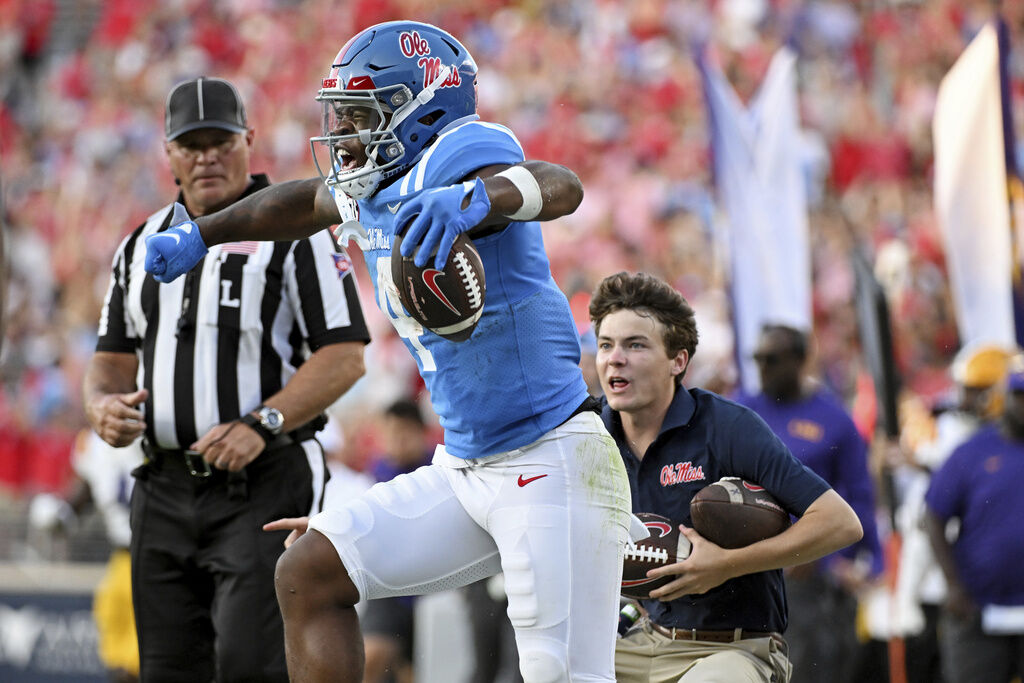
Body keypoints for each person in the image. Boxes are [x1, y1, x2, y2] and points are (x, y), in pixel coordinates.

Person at [142, 21, 635, 683]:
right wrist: (206, 234)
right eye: (341, 115)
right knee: (310, 569)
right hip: (465, 468)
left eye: (360, 114)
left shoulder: (457, 152)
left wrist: (474, 199)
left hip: (550, 458)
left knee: (559, 675)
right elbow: (301, 202)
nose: (343, 133)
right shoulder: (375, 178)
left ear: (422, 110)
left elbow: (557, 184)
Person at [82, 76, 370, 682]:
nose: (207, 155)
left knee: (251, 664)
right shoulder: (139, 243)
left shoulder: (294, 229)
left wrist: (262, 422)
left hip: (260, 483)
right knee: (165, 668)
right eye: (192, 143)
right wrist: (101, 404)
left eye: (221, 140)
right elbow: (110, 356)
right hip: (161, 486)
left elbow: (344, 353)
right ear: (168, 152)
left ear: (250, 140)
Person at [588, 271, 863, 683]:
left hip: (730, 650)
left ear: (677, 361)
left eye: (635, 345)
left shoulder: (728, 426)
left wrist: (726, 565)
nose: (615, 358)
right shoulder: (587, 435)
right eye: (606, 345)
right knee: (547, 666)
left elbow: (841, 523)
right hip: (644, 639)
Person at [735, 323, 884, 683]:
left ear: (802, 360)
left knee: (808, 668)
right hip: (744, 567)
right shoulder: (740, 411)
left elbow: (859, 495)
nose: (763, 368)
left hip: (808, 573)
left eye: (772, 359)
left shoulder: (835, 421)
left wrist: (853, 559)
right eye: (758, 359)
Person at [893, 342, 1013, 683]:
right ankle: (908, 601)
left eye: (976, 391)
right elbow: (927, 514)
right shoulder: (955, 433)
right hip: (954, 583)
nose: (964, 399)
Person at [923, 362, 1024, 683]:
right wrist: (953, 585)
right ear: (1006, 397)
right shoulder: (971, 452)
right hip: (978, 608)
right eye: (1020, 395)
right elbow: (933, 517)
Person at [360, 399, 435, 683]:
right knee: (373, 657)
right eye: (389, 433)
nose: (396, 441)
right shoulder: (376, 474)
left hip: (437, 584)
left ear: (421, 431)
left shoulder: (439, 469)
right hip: (390, 586)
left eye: (403, 432)